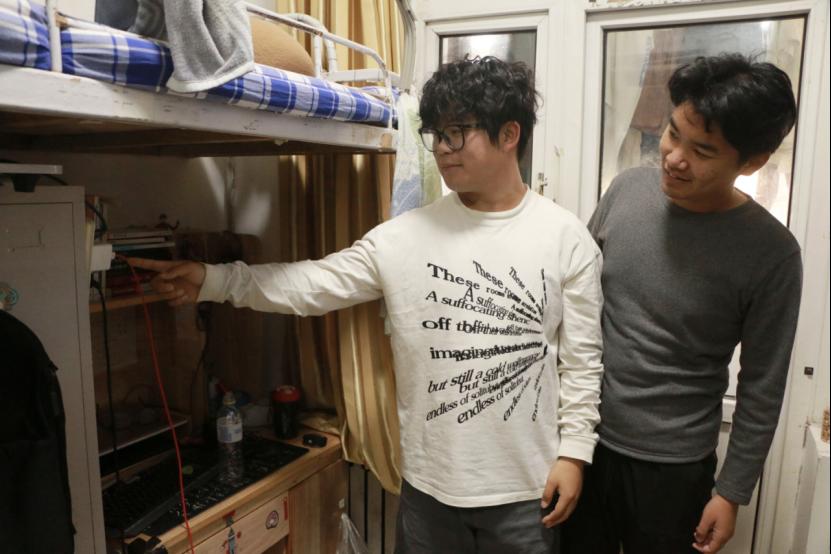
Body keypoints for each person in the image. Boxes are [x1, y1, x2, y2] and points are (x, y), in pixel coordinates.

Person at [132, 56, 604, 554]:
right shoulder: (403, 237)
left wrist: (574, 454)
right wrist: (213, 280)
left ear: (509, 134)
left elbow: (582, 364)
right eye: (436, 134)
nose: (443, 148)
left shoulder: (564, 238)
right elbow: (311, 284)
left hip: (526, 492)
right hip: (428, 492)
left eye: (458, 132)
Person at [562, 53, 802, 554]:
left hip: (674, 471)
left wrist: (731, 493)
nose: (673, 157)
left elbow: (762, 387)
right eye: (673, 134)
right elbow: (574, 307)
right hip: (585, 445)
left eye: (702, 150)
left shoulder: (771, 253)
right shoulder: (626, 191)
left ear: (752, 162)